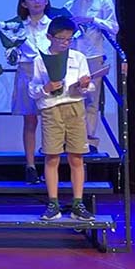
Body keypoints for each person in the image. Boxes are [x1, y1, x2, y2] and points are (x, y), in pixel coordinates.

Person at [28, 15, 96, 222]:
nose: (66, 43)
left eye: (69, 39)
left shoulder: (78, 57)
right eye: (61, 39)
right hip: (51, 110)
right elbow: (33, 90)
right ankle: (53, 203)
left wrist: (84, 85)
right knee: (52, 156)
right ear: (50, 37)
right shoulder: (40, 60)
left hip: (75, 107)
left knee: (77, 157)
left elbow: (90, 87)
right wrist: (46, 88)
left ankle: (78, 203)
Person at [62, 0, 120, 154]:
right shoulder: (70, 5)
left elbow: (114, 28)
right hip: (72, 56)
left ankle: (89, 140)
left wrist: (92, 20)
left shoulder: (103, 1)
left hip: (94, 55)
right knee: (70, 97)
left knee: (92, 100)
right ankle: (70, 139)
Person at [7, 0, 52, 184]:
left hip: (49, 73)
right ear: (24, 4)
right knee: (30, 121)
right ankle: (31, 165)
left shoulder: (53, 24)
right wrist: (11, 52)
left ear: (46, 1)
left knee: (51, 121)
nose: (36, 1)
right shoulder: (16, 27)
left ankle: (50, 165)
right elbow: (11, 57)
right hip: (26, 72)